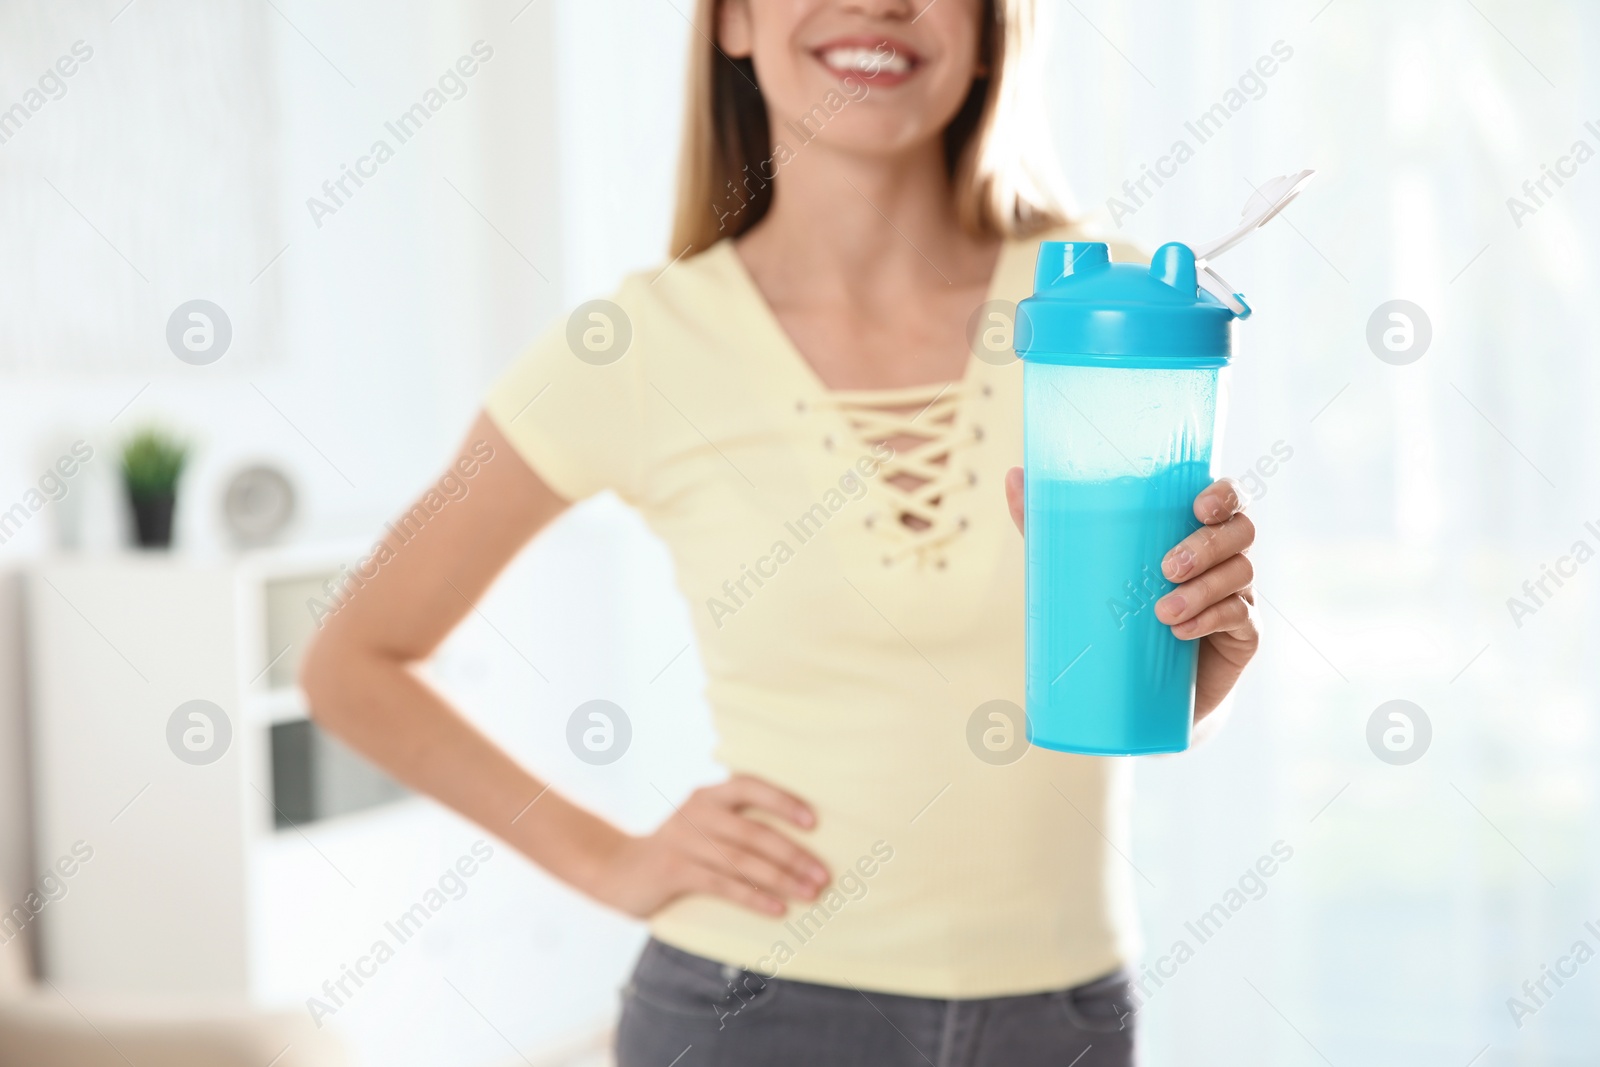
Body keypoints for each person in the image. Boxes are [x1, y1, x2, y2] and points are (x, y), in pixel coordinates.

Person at [300, 1, 1259, 1063]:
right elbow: (351, 662)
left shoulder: (1105, 307)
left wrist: (1189, 688)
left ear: (991, 29)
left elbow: (1138, 666)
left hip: (1058, 1018)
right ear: (736, 20)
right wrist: (611, 861)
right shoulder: (634, 347)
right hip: (749, 1011)